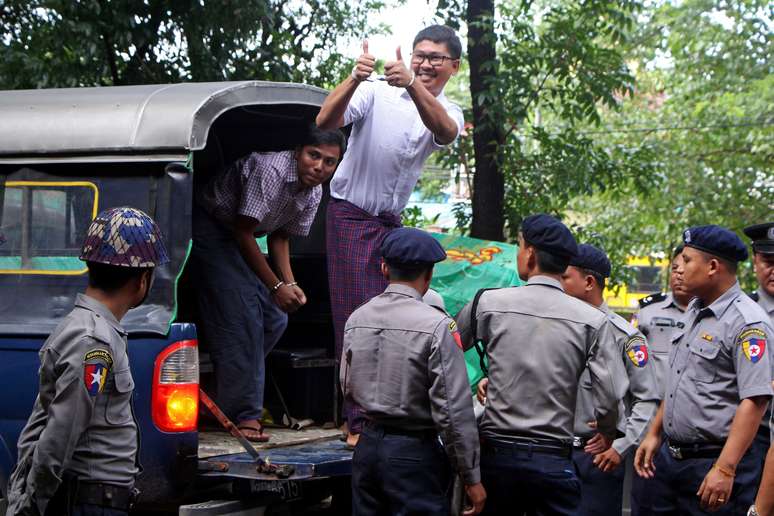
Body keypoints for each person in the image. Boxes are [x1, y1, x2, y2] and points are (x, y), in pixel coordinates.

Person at [316, 24, 464, 444]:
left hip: (389, 226)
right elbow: (325, 120)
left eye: (436, 58)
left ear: (454, 66)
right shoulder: (376, 91)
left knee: (406, 313)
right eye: (420, 55)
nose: (425, 63)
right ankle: (356, 421)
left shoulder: (448, 109)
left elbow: (446, 132)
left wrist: (414, 83)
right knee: (357, 319)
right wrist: (354, 77)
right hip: (350, 215)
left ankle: (393, 410)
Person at [455, 214, 625, 516]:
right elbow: (609, 393)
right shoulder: (594, 322)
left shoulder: (487, 303)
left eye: (519, 246)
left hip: (497, 459)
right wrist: (608, 431)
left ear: (530, 253)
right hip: (554, 461)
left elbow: (446, 356)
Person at [5, 207, 169, 516]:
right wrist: (31, 508)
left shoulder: (94, 330)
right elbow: (61, 434)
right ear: (142, 279)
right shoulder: (92, 339)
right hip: (90, 503)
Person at [191, 125, 346, 442]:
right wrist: (276, 287)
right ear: (298, 151)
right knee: (247, 318)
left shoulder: (314, 190)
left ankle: (223, 395)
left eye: (329, 162)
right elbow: (244, 231)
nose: (319, 167)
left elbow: (279, 236)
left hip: (238, 238)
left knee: (275, 319)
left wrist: (290, 282)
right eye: (313, 156)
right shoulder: (271, 170)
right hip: (210, 227)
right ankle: (246, 414)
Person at [340, 227, 486, 516]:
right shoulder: (437, 326)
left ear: (383, 268)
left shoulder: (358, 318)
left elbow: (346, 386)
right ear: (429, 275)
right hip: (413, 453)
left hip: (368, 447)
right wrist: (471, 476)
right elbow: (454, 412)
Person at [634, 225, 774, 515]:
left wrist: (724, 468)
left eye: (686, 261)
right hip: (671, 459)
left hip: (712, 462)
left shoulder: (747, 323)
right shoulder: (695, 310)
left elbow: (756, 399)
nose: (678, 269)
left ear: (712, 267)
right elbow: (678, 380)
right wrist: (654, 433)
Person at [561, 244, 660, 516]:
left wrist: (620, 446)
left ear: (589, 282)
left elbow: (647, 399)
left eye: (565, 277)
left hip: (596, 461)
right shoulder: (557, 330)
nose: (558, 283)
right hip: (553, 457)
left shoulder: (625, 337)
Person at [630, 243, 692, 515]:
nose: (679, 274)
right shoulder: (648, 311)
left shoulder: (710, 316)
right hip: (650, 421)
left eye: (685, 267)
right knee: (647, 497)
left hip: (691, 426)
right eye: (675, 268)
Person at [744, 221, 774, 515]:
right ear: (755, 261)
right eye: (768, 261)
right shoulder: (738, 314)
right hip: (746, 437)